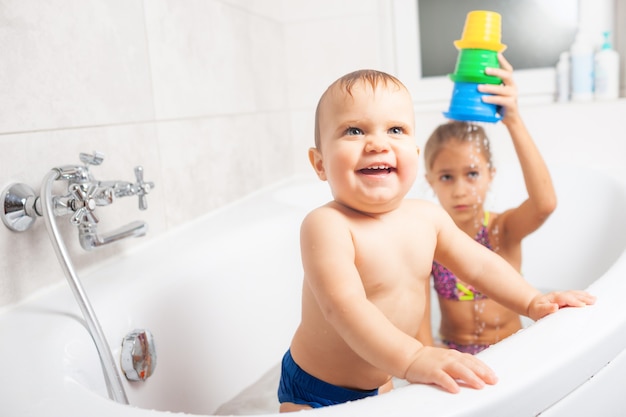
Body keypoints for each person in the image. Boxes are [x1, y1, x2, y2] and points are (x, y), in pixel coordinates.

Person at [277, 69, 595, 412]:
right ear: (320, 163)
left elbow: (481, 265)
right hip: (314, 389)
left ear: (413, 153)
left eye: (395, 129)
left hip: (382, 378)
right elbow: (344, 308)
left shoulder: (426, 217)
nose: (377, 143)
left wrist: (533, 302)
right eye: (354, 130)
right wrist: (414, 357)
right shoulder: (327, 225)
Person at [423, 54, 556, 354]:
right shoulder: (430, 242)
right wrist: (427, 355)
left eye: (472, 174)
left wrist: (513, 119)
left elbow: (545, 204)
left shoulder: (501, 230)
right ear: (429, 180)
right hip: (455, 353)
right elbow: (419, 315)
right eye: (446, 177)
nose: (460, 190)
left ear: (490, 175)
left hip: (509, 349)